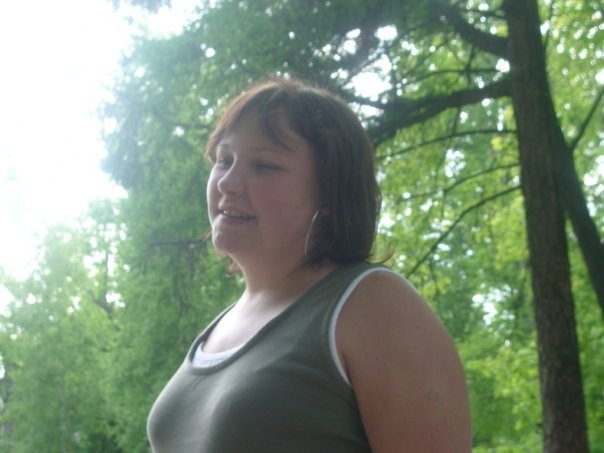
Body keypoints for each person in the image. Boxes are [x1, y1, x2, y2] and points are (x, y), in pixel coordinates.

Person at [147, 77, 472, 452]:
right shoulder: (219, 327)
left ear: (331, 191)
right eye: (224, 160)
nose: (228, 182)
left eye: (264, 165)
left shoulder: (372, 304)